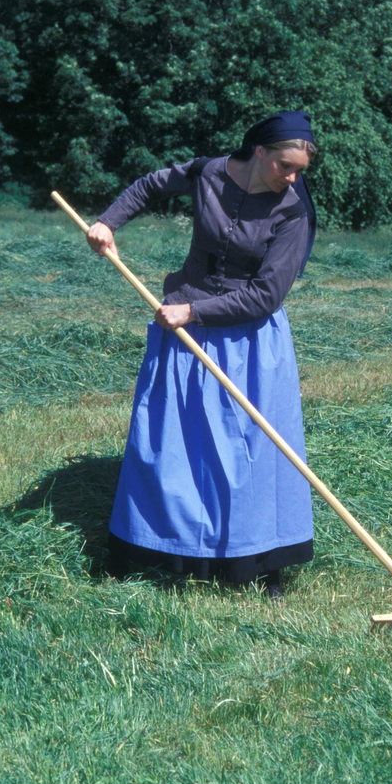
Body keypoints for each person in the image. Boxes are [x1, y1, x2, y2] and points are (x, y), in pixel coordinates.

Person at [86, 111, 317, 600]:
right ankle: (161, 549)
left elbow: (266, 296)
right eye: (285, 165)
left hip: (247, 341)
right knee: (171, 444)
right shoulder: (208, 173)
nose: (292, 177)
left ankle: (260, 562)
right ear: (260, 151)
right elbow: (150, 185)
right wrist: (109, 222)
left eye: (299, 170)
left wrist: (193, 310)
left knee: (248, 453)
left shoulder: (294, 210)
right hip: (182, 330)